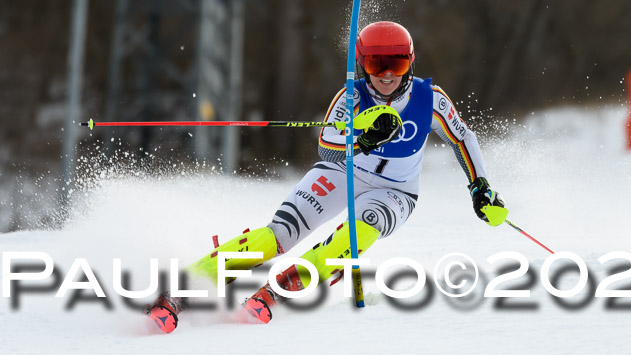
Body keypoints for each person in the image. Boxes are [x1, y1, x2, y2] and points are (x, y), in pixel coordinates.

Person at [146, 21, 505, 333]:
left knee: (353, 236)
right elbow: (325, 147)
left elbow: (463, 138)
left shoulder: (432, 99)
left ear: (410, 63)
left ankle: (278, 290)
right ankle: (183, 289)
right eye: (375, 63)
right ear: (362, 65)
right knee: (278, 235)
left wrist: (480, 187)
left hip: (394, 192)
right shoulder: (351, 97)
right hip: (340, 173)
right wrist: (362, 139)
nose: (386, 74)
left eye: (396, 63)